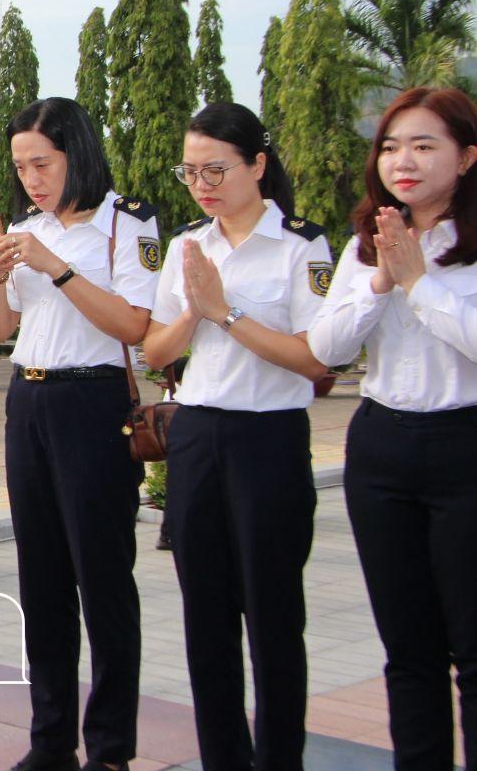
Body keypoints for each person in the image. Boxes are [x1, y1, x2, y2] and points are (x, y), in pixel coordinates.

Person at [142, 103, 330, 771]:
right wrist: (194, 308)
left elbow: (314, 359)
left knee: (274, 619)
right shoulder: (190, 246)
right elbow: (156, 347)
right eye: (190, 172)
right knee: (207, 619)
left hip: (268, 439)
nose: (202, 184)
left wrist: (225, 309)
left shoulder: (302, 245)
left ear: (257, 164)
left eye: (216, 169)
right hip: (196, 435)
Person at [0, 97, 158, 771]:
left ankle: (110, 748)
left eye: (43, 163)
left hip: (94, 404)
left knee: (103, 579)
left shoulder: (125, 225)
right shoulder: (25, 227)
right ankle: (49, 740)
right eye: (21, 166)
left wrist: (57, 266)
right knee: (43, 581)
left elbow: (135, 325)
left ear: (76, 153)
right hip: (29, 400)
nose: (31, 178)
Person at [308, 86, 477, 771]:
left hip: (465, 446)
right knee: (407, 651)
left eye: (424, 145)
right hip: (381, 446)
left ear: (466, 157)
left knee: (472, 649)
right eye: (391, 145)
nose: (402, 160)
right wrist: (381, 279)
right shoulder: (366, 244)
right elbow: (326, 348)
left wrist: (419, 283)